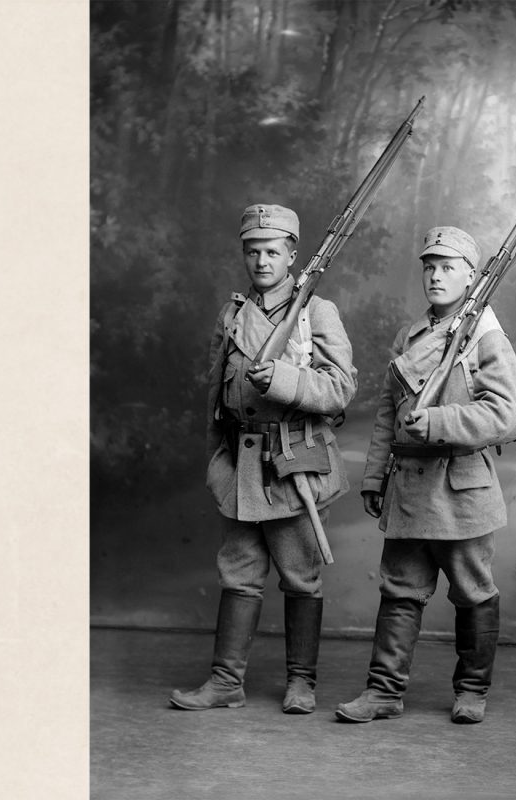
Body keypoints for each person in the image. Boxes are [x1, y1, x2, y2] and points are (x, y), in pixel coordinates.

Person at [170, 203, 357, 714]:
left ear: (293, 255)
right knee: (238, 572)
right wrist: (215, 463)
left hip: (290, 462)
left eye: (272, 251)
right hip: (239, 465)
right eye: (252, 251)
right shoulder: (232, 315)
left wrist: (287, 381)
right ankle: (226, 682)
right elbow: (214, 396)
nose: (261, 261)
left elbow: (341, 389)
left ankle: (302, 683)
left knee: (300, 575)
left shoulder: (316, 311)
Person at [336, 226, 516, 725]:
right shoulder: (409, 337)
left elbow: (502, 414)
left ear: (470, 275)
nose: (436, 276)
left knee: (473, 593)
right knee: (399, 591)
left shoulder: (487, 337)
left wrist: (438, 422)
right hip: (411, 487)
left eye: (447, 267)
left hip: (463, 488)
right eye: (429, 267)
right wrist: (374, 476)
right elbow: (385, 412)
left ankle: (472, 693)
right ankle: (383, 692)